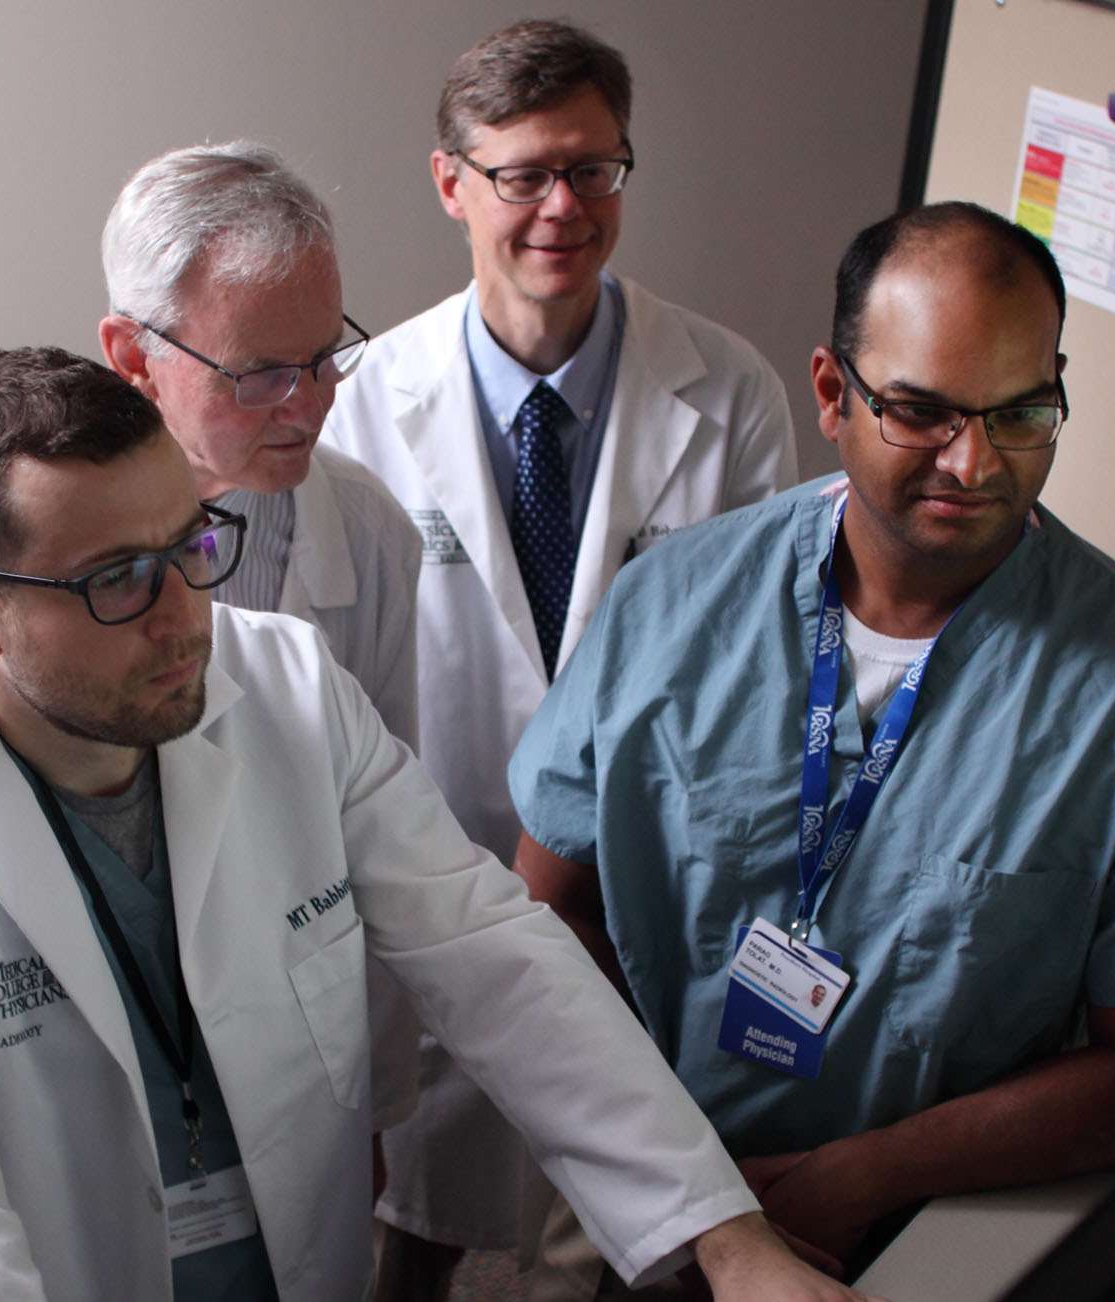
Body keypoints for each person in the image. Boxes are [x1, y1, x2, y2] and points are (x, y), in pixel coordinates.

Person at [0, 347, 868, 1302]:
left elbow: (498, 959)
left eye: (190, 547)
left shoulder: (285, 684)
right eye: (117, 582)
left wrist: (724, 1236)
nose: (184, 618)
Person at [506, 201, 1115, 1280]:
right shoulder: (672, 605)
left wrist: (863, 1177)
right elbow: (552, 911)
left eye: (1021, 412)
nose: (973, 462)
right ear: (831, 394)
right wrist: (681, 1174)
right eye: (921, 412)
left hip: (922, 1230)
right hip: (642, 1184)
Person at [322, 19, 797, 1289]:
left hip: (625, 889)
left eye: (593, 169)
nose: (563, 208)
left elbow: (753, 675)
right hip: (425, 875)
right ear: (452, 183)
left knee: (604, 1233)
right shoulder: (360, 405)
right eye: (523, 174)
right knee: (411, 1227)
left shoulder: (728, 393)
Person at [0, 142, 429, 1138]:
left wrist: (370, 1105)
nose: (311, 403)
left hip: (289, 1002)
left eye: (324, 356)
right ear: (132, 356)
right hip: (52, 993)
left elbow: (382, 848)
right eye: (262, 373)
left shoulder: (367, 533)